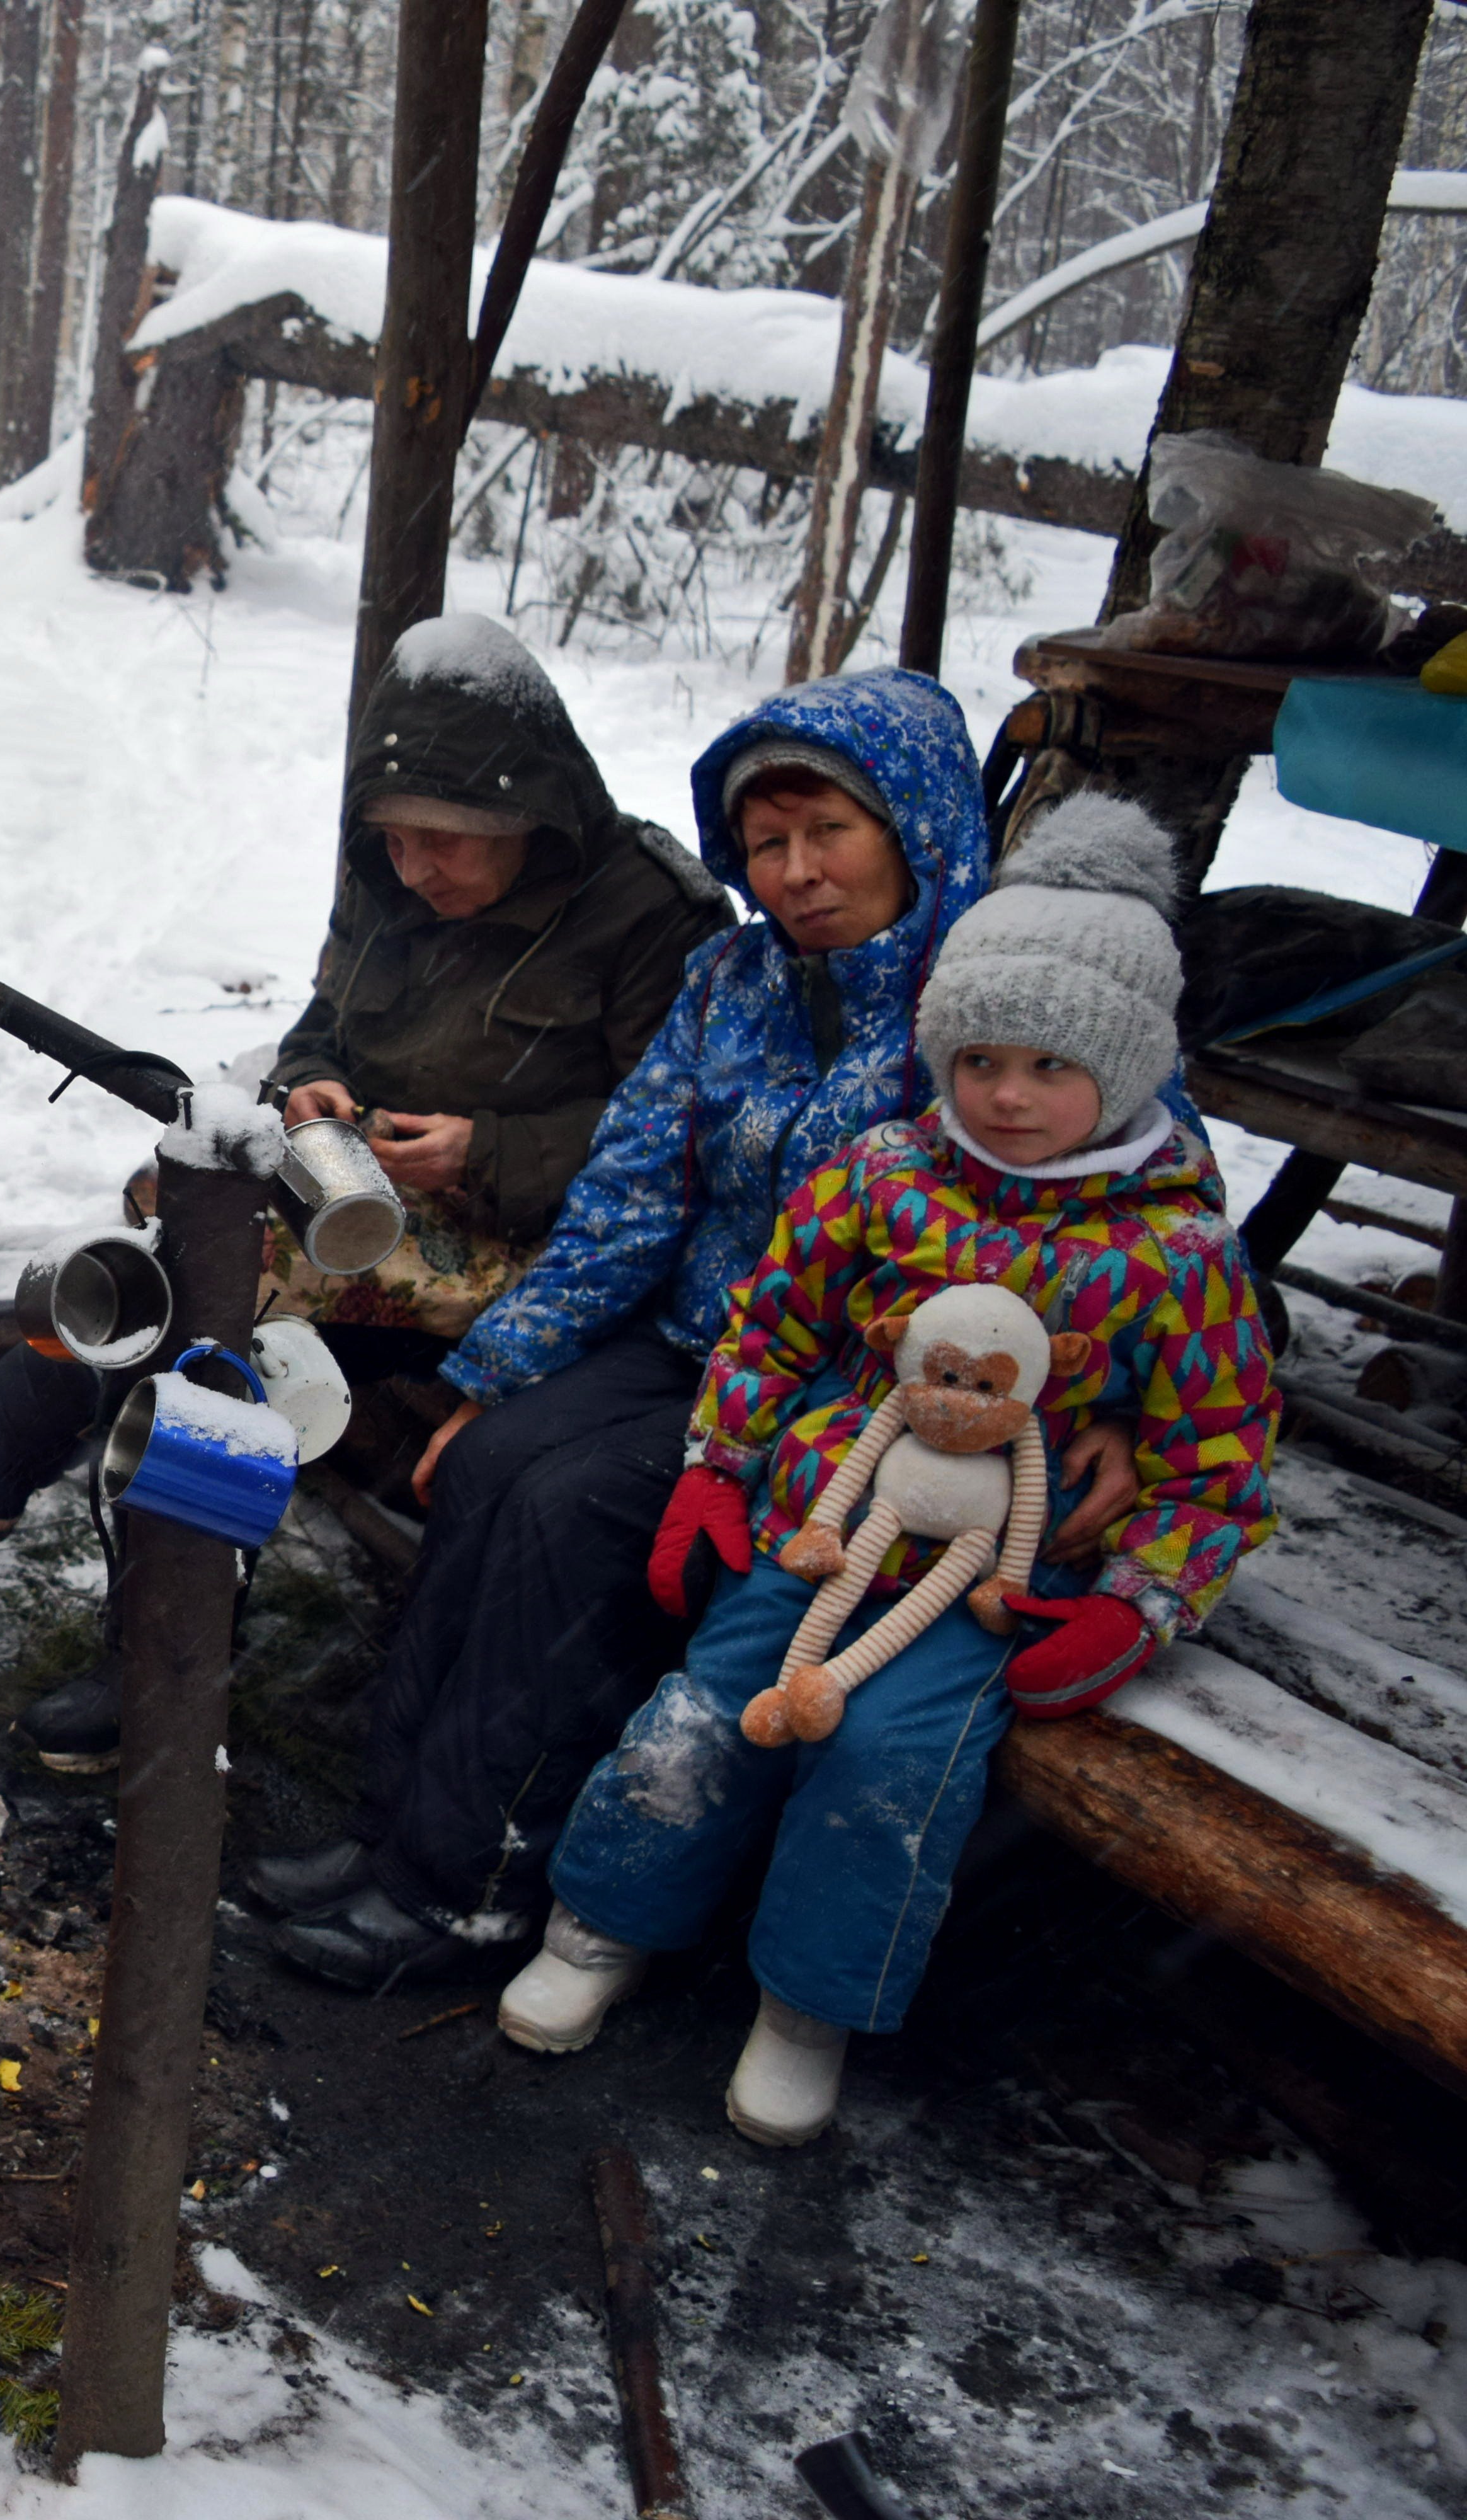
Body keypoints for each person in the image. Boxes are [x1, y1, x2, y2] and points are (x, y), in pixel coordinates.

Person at [250, 668, 1156, 1990]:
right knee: (494, 1462)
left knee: (574, 1512)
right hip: (697, 1337)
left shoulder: (1016, 998)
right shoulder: (737, 978)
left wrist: (1122, 1406)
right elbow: (629, 1192)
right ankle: (395, 1831)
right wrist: (494, 1376)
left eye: (825, 833)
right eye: (766, 844)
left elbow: (1161, 1221)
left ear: (913, 825)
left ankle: (474, 1891)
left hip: (857, 1402)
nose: (793, 873)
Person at [0, 618, 728, 1766]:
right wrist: (309, 1084)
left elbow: (685, 1134)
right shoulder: (389, 877)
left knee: (233, 1290)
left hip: (554, 1253)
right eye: (396, 842)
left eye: (445, 843)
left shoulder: (650, 915)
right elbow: (323, 1025)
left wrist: (492, 1147)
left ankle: (89, 1557)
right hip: (375, 1203)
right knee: (189, 1204)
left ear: (529, 817)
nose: (415, 869)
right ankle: (144, 1616)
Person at [493, 796, 1277, 2145]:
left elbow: (1221, 1456)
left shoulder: (1178, 1252)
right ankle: (603, 1919)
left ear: (1133, 1068)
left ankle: (807, 2005)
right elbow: (773, 1324)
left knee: (889, 1768)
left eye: (1049, 1063)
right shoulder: (886, 1176)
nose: (1007, 1093)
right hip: (822, 1519)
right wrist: (715, 1465)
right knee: (709, 1708)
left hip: (993, 1578)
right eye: (977, 1056)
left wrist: (1137, 1603)